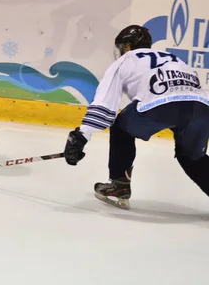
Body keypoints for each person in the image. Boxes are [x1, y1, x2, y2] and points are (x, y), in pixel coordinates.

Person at [63, 24, 209, 208]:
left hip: (161, 106)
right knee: (192, 157)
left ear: (127, 46)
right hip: (202, 107)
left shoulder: (126, 60)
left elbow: (104, 105)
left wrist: (80, 136)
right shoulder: (174, 58)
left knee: (121, 127)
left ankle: (119, 185)